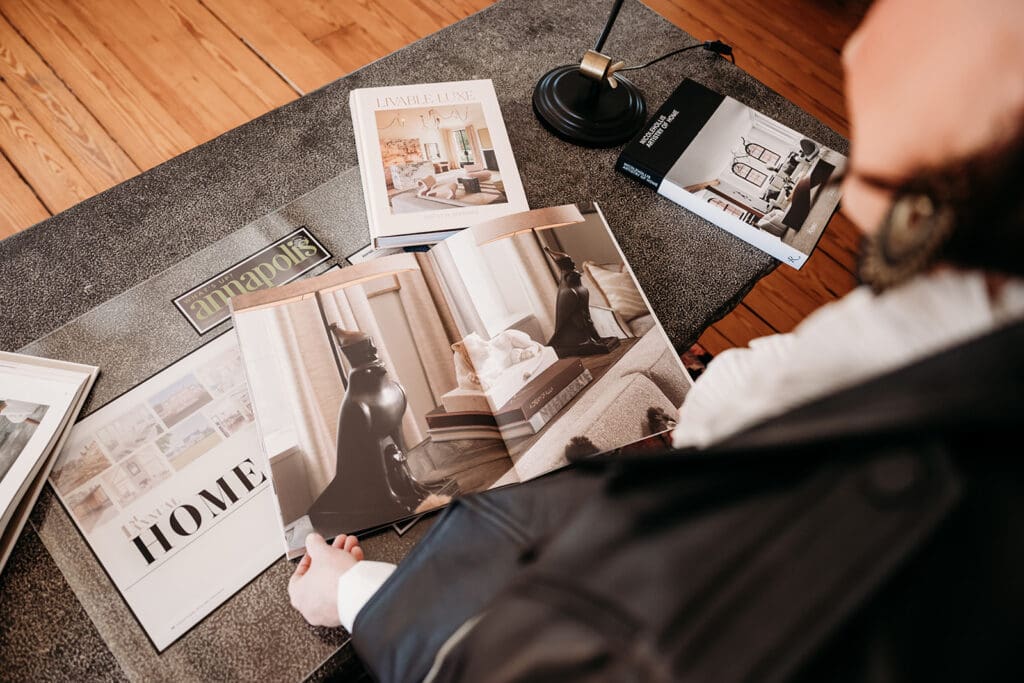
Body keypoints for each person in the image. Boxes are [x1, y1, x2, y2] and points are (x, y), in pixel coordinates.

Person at [288, 0, 1024, 678]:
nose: (862, 40)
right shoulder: (946, 328)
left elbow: (520, 661)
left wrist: (355, 593)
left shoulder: (898, 468)